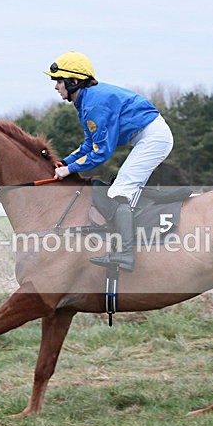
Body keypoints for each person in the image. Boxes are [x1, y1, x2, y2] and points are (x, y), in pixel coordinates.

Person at [46, 51, 174, 272]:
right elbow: (89, 144)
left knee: (119, 193)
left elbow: (102, 152)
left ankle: (125, 255)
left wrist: (70, 170)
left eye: (59, 80)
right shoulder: (86, 102)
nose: (56, 86)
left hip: (153, 138)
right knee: (121, 190)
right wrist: (64, 162)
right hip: (148, 136)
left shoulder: (94, 104)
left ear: (74, 81)